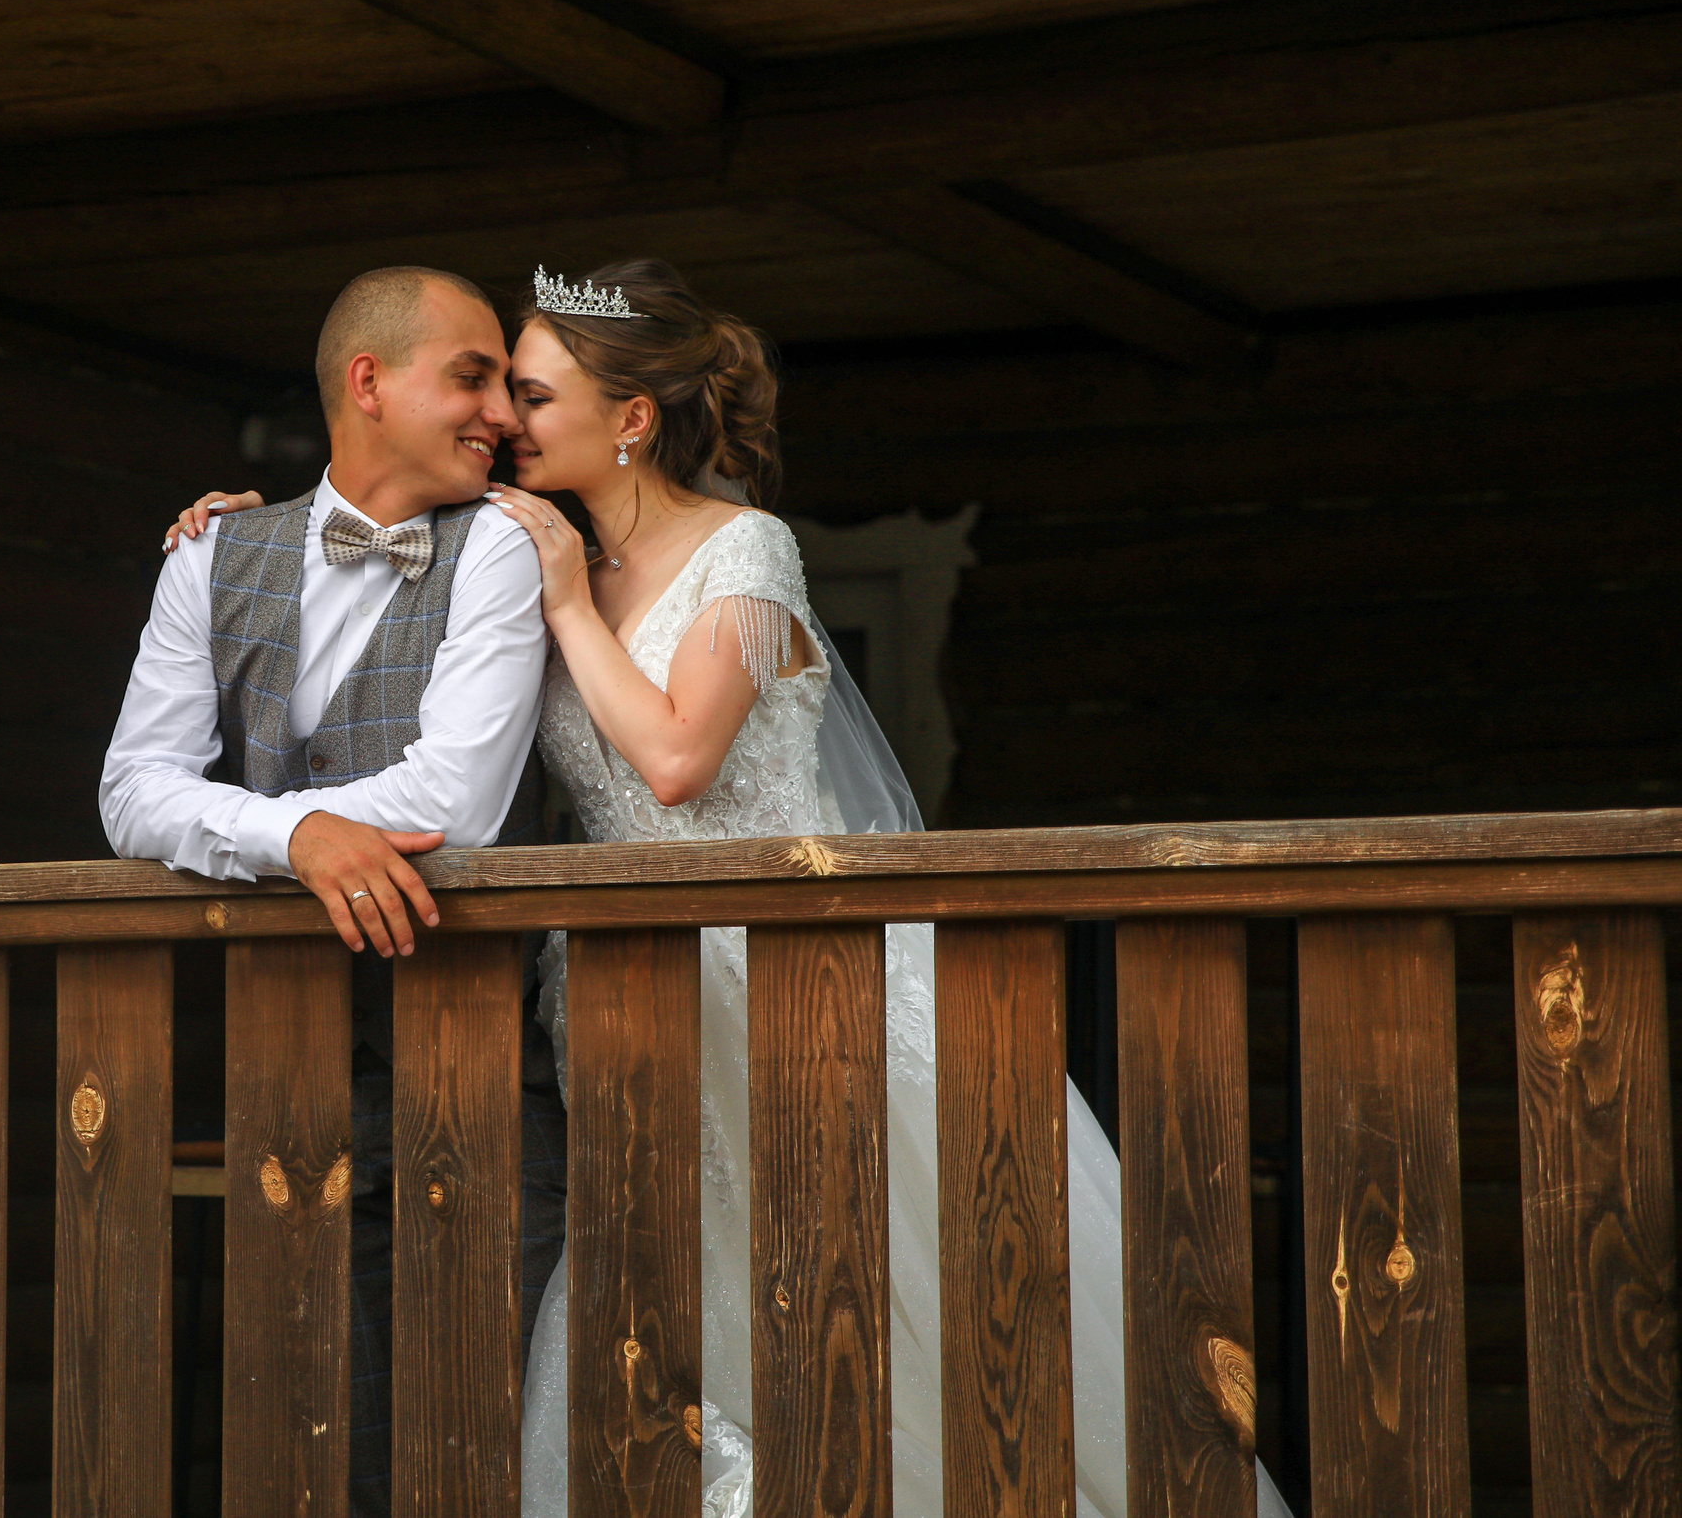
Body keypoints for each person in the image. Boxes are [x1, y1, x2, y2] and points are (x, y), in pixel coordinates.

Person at [165, 259, 1295, 1517]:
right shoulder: (529, 557)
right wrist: (244, 536)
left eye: (530, 396)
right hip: (624, 1012)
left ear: (630, 418)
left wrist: (566, 605)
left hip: (797, 998)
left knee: (900, 1303)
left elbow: (675, 760)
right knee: (681, 1325)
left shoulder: (743, 550)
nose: (502, 422)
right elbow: (368, 563)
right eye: (494, 393)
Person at [101, 264, 566, 1515]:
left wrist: (257, 825)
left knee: (483, 1444)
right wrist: (295, 842)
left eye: (511, 390)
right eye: (471, 377)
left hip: (478, 1067)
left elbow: (452, 802)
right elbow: (131, 790)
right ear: (368, 382)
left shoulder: (504, 549)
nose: (505, 418)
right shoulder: (211, 554)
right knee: (316, 1454)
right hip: (282, 1071)